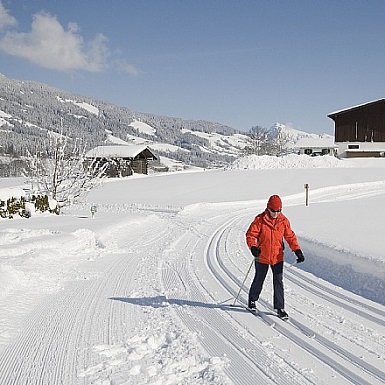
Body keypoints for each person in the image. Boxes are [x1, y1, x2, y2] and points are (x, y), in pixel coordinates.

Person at [245, 194, 305, 319]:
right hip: (262, 256)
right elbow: (250, 235)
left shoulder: (283, 221)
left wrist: (297, 250)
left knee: (278, 281)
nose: (276, 213)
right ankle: (252, 300)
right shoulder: (260, 220)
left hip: (277, 257)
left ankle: (280, 308)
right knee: (259, 279)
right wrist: (253, 247)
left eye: (279, 210)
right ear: (268, 208)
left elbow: (290, 237)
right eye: (273, 210)